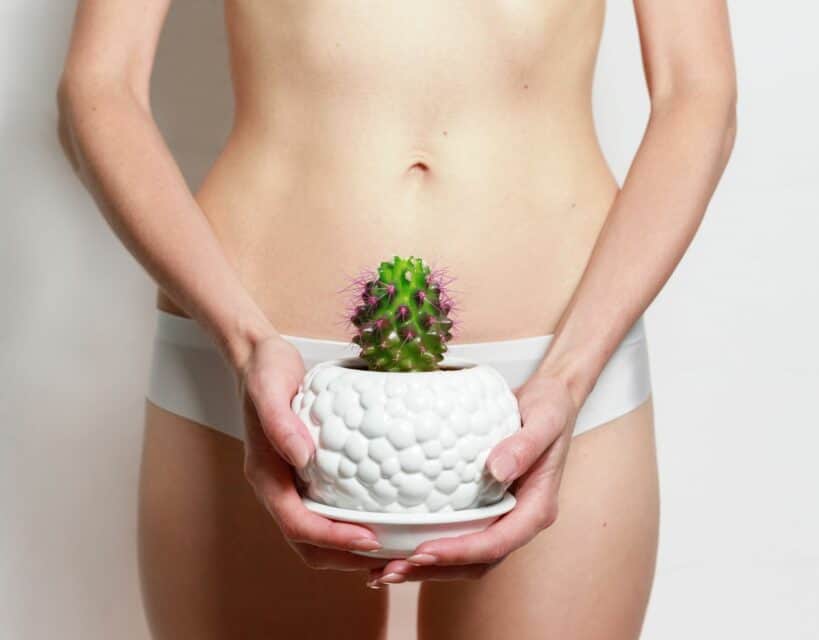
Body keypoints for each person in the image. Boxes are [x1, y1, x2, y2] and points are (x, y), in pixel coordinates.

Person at [56, 1, 736, 637]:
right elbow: (99, 87)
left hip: (563, 359)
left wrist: (572, 371)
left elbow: (696, 91)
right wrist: (244, 340)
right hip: (252, 351)